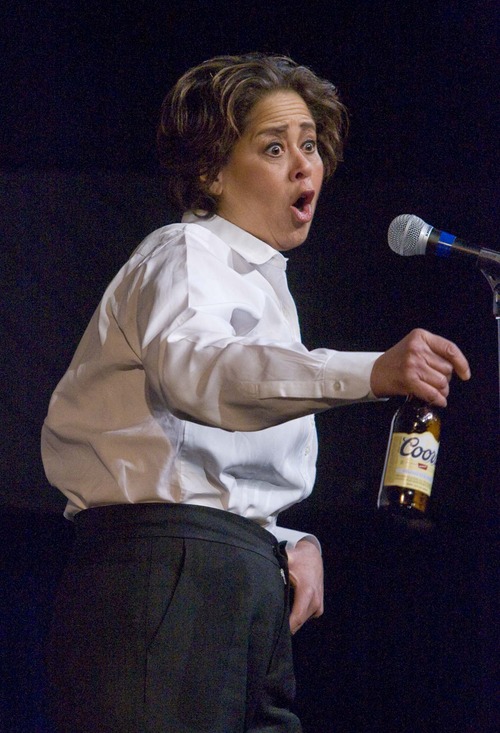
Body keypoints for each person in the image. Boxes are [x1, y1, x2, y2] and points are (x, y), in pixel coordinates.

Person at [41, 53, 471, 733]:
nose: (305, 166)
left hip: (236, 576)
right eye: (274, 148)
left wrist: (284, 537)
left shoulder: (263, 287)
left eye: (311, 145)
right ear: (212, 171)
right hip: (165, 571)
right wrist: (370, 372)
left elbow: (212, 456)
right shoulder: (186, 253)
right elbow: (201, 376)